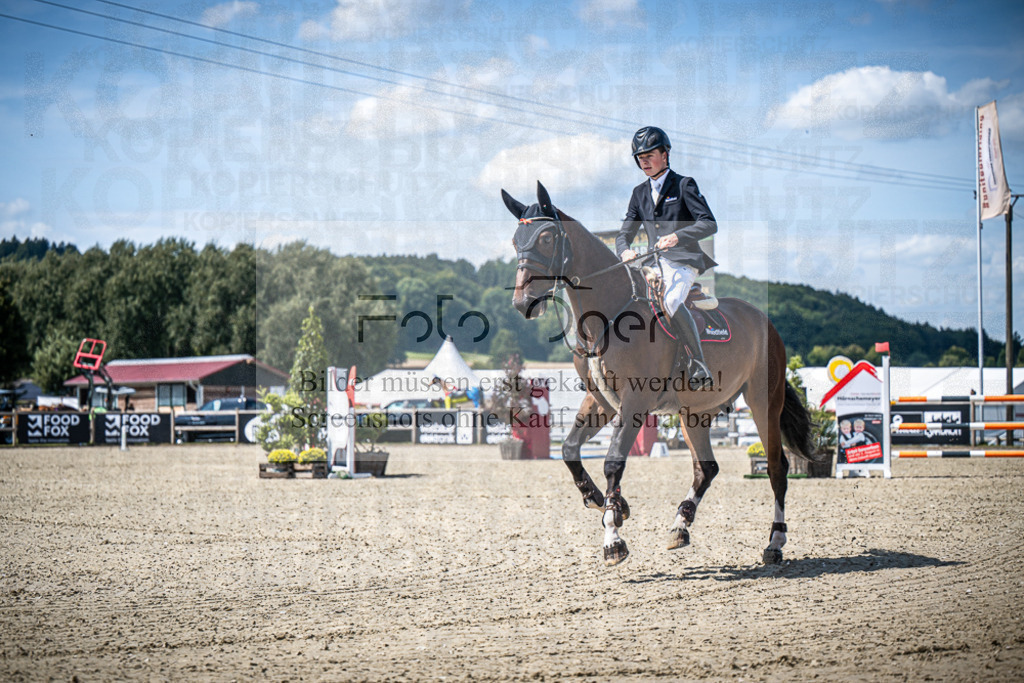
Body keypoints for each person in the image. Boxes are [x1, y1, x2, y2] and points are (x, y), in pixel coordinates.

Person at [616, 126, 718, 386]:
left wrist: (678, 237)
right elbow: (623, 235)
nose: (644, 161)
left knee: (671, 301)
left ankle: (698, 364)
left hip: (683, 261)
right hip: (654, 265)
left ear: (666, 153)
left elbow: (709, 223)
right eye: (640, 157)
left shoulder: (684, 185)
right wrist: (624, 250)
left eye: (649, 155)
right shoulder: (639, 193)